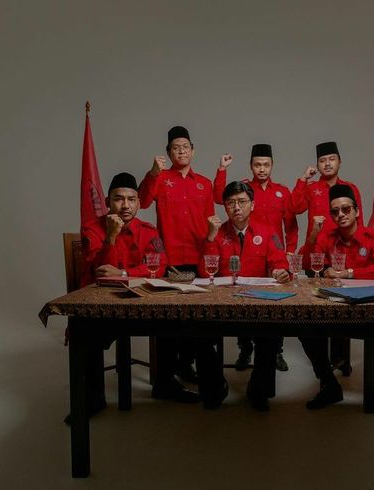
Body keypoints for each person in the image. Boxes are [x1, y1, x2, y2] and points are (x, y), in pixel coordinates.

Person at [69, 173, 197, 425]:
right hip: (106, 304)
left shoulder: (148, 231)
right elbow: (100, 272)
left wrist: (124, 273)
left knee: (173, 320)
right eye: (118, 199)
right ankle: (93, 397)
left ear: (139, 203)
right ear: (107, 201)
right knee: (86, 331)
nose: (125, 206)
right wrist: (112, 237)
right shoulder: (93, 230)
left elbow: (159, 267)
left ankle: (164, 384)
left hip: (142, 302)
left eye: (131, 199)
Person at [299, 184, 374, 418]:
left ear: (356, 211)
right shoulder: (327, 237)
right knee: (304, 327)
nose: (340, 215)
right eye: (335, 211)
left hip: (369, 313)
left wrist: (350, 273)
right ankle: (330, 386)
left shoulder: (373, 237)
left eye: (345, 209)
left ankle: (373, 391)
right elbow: (306, 265)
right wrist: (314, 236)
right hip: (335, 311)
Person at [138, 125, 221, 397]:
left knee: (198, 317)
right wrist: (152, 173)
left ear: (193, 150)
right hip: (170, 261)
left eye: (185, 146)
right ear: (168, 153)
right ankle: (165, 379)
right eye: (175, 147)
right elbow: (142, 201)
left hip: (199, 261)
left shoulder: (204, 183)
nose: (181, 150)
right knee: (170, 319)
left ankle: (186, 367)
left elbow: (211, 224)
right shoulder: (161, 179)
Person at [200, 181, 291, 411]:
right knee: (197, 334)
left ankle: (259, 391)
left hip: (257, 303)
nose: (236, 207)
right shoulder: (217, 234)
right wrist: (210, 239)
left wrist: (281, 271)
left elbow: (280, 262)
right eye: (230, 203)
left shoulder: (268, 231)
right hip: (221, 304)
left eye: (242, 202)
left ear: (253, 204)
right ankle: (214, 388)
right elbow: (204, 272)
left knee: (270, 337)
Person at [212, 144, 297, 372]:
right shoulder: (243, 190)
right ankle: (245, 348)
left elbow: (291, 224)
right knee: (239, 298)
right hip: (238, 247)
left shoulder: (282, 191)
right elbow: (220, 196)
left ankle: (274, 352)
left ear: (272, 165)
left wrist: (288, 254)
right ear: (251, 166)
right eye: (257, 164)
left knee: (270, 313)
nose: (261, 169)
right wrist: (222, 169)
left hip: (269, 251)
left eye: (266, 164)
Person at [292, 141, 363, 371]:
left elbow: (359, 223)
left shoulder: (350, 188)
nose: (327, 164)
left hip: (343, 253)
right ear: (317, 165)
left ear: (340, 161)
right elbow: (294, 207)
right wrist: (303, 179)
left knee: (343, 305)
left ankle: (341, 358)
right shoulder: (312, 189)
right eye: (322, 160)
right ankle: (322, 360)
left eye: (331, 159)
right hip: (317, 254)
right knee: (319, 304)